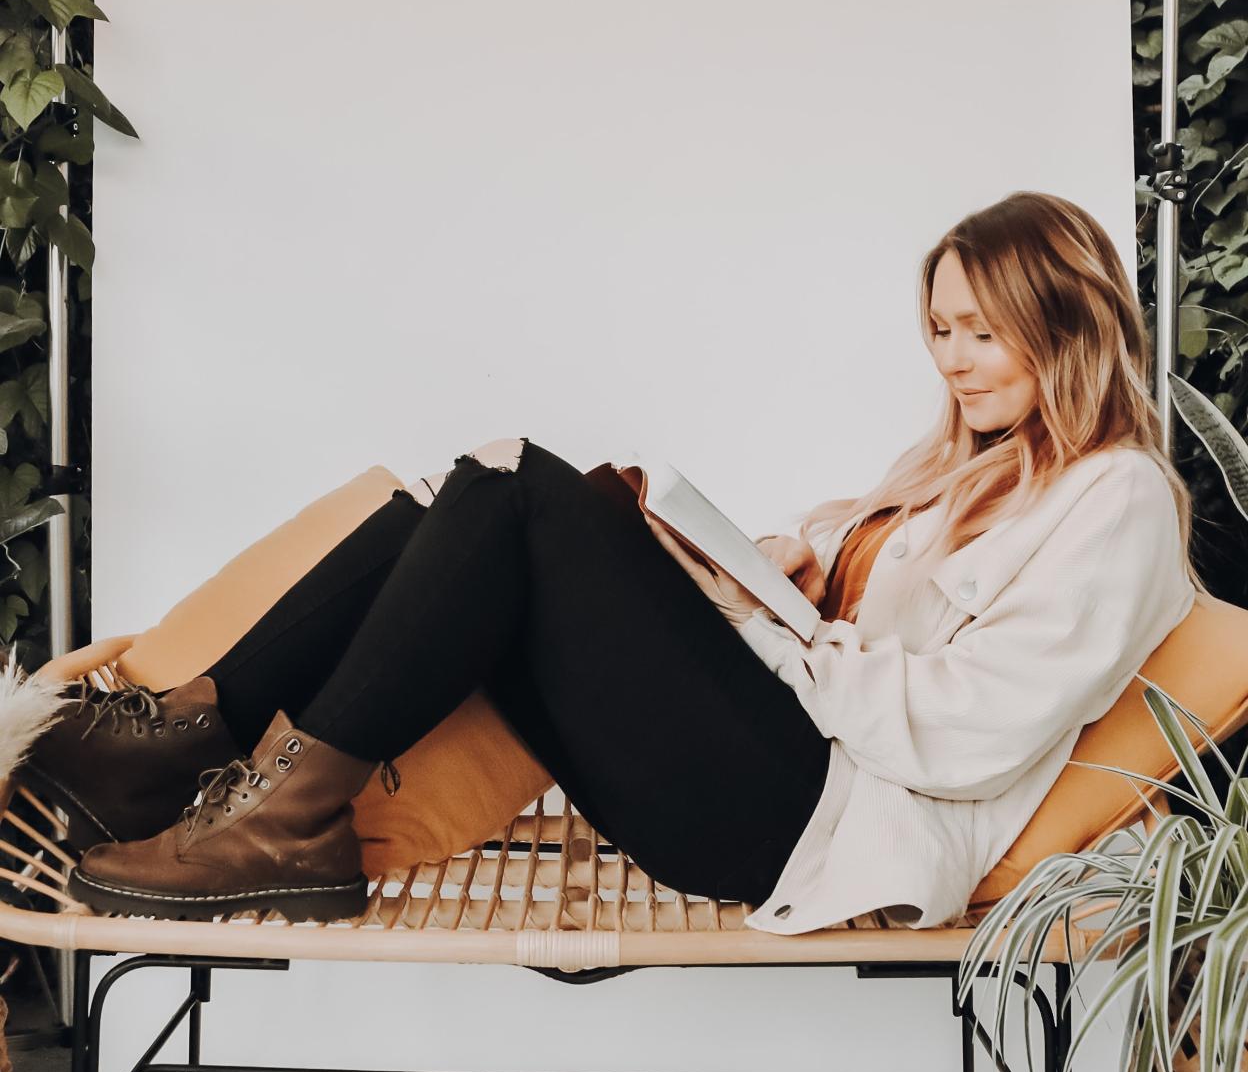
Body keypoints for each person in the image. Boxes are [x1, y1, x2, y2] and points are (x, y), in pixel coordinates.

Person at [20, 189, 1204, 931]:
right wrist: (771, 572)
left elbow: (964, 731)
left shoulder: (1116, 500)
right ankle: (194, 741)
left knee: (518, 488)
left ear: (1070, 319)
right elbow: (851, 633)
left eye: (982, 329)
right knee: (473, 495)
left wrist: (766, 630)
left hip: (813, 821)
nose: (952, 358)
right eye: (940, 328)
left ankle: (245, 795)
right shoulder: (949, 468)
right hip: (765, 770)